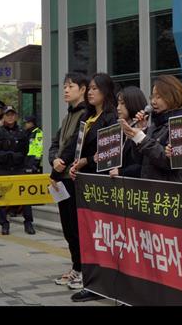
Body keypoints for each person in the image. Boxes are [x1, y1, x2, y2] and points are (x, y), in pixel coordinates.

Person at [68, 72, 117, 302]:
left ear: (106, 92)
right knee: (85, 233)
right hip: (83, 180)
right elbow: (78, 149)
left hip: (100, 183)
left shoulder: (110, 119)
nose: (90, 92)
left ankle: (100, 283)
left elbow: (108, 153)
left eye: (95, 88)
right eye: (90, 88)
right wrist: (74, 164)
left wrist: (88, 160)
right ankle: (91, 281)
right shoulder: (86, 118)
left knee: (99, 235)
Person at [49, 72, 89, 292]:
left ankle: (83, 269)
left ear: (82, 89)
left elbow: (75, 145)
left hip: (73, 178)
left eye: (70, 86)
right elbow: (56, 142)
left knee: (76, 227)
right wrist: (53, 159)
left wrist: (60, 161)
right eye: (64, 86)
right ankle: (76, 266)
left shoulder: (85, 115)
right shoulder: (67, 116)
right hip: (61, 178)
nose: (65, 90)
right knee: (67, 228)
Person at [120, 75, 182, 183]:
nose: (153, 102)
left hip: (173, 192)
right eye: (152, 97)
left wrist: (141, 138)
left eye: (158, 97)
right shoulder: (155, 124)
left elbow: (169, 162)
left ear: (174, 96)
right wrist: (141, 130)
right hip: (152, 190)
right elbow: (139, 160)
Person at [0, 105, 32, 235]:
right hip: (3, 169)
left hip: (18, 168)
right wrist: (5, 156)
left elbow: (25, 150)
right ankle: (4, 224)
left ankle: (28, 223)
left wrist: (16, 157)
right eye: (8, 114)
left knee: (25, 197)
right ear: (4, 116)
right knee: (1, 198)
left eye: (13, 114)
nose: (10, 117)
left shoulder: (22, 132)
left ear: (16, 116)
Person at [109, 86, 148, 179]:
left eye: (122, 103)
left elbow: (144, 165)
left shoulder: (145, 130)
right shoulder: (118, 131)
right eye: (118, 103)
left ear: (133, 103)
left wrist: (121, 172)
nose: (118, 108)